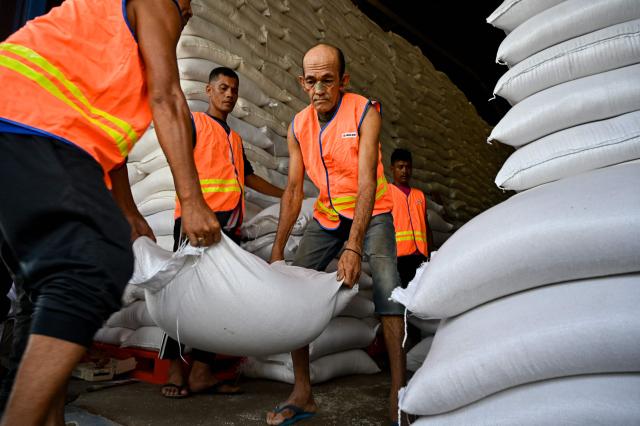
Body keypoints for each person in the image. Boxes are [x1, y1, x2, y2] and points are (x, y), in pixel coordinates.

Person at [0, 0, 224, 424]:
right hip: (29, 118)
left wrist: (127, 210)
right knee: (93, 264)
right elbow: (169, 97)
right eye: (188, 5)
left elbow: (111, 143)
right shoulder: (157, 3)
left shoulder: (116, 51)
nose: (188, 14)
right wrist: (192, 201)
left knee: (44, 289)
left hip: (26, 125)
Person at [266, 43, 405, 426]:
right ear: (301, 82)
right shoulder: (298, 125)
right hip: (327, 214)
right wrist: (277, 251)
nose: (319, 89)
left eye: (328, 80)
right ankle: (302, 391)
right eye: (311, 81)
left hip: (372, 209)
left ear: (343, 81)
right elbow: (294, 190)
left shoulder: (364, 111)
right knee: (294, 289)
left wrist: (354, 246)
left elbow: (366, 182)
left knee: (389, 289)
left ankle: (398, 391)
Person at [160, 66, 283, 399]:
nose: (230, 94)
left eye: (234, 90)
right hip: (195, 220)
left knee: (216, 298)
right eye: (224, 88)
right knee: (182, 294)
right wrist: (190, 207)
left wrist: (287, 195)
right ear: (208, 90)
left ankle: (201, 372)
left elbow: (249, 178)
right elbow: (178, 159)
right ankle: (174, 369)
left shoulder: (235, 138)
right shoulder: (195, 123)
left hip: (229, 227)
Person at [389, 148, 432, 287]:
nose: (404, 171)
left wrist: (430, 253)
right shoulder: (386, 193)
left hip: (421, 256)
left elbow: (426, 226)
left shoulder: (419, 195)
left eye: (408, 167)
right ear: (392, 168)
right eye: (400, 167)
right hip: (399, 257)